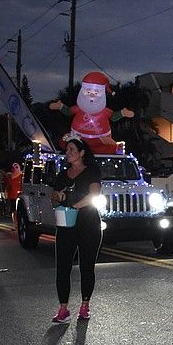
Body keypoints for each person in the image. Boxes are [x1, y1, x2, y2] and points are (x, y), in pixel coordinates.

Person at [51, 137, 103, 323]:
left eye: (72, 149)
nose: (68, 153)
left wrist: (74, 206)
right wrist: (58, 197)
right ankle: (63, 309)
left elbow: (94, 195)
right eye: (67, 150)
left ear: (82, 153)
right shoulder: (62, 175)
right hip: (66, 225)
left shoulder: (92, 171)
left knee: (86, 266)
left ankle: (85, 306)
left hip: (88, 224)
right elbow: (54, 200)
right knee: (62, 267)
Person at [4, 163, 23, 227]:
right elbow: (7, 186)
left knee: (19, 211)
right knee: (14, 210)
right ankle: (15, 224)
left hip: (20, 196)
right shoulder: (10, 177)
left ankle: (19, 224)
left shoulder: (22, 176)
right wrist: (6, 194)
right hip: (12, 196)